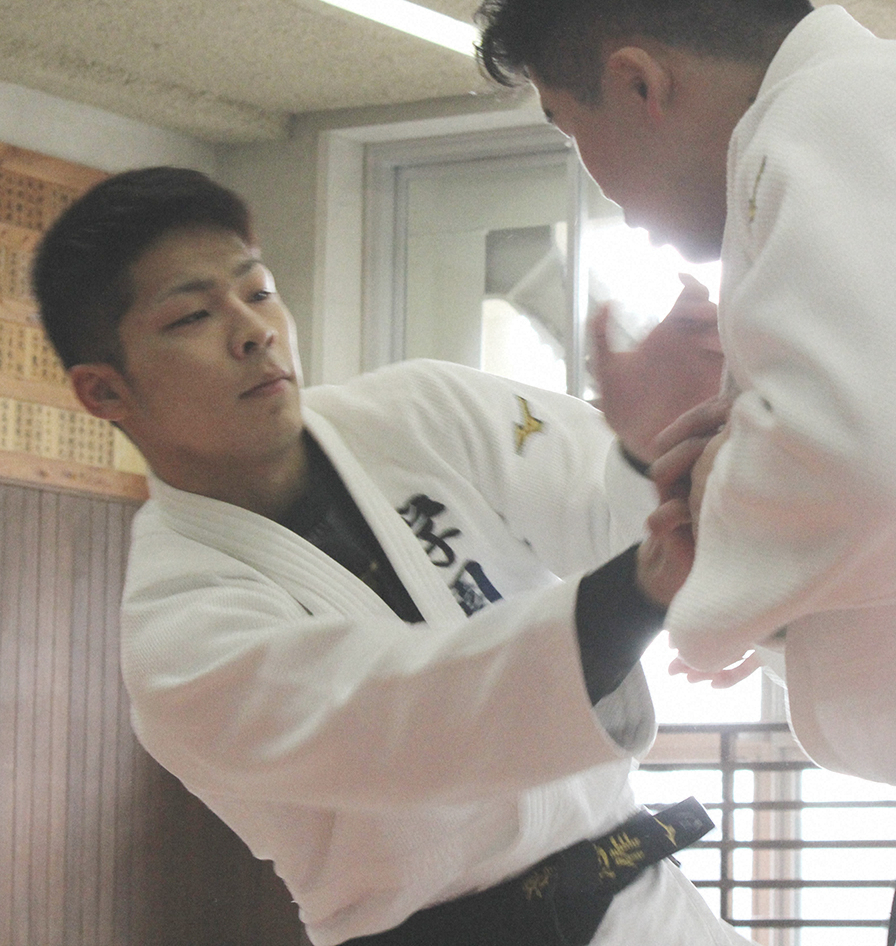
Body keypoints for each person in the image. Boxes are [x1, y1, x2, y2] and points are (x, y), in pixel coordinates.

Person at [32, 165, 751, 946]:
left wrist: (657, 453)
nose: (254, 329)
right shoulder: (179, 640)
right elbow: (408, 718)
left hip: (654, 910)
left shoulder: (420, 413)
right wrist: (643, 586)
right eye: (192, 316)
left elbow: (609, 513)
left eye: (259, 289)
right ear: (104, 392)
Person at [475, 0, 896, 943]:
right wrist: (716, 461)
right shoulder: (866, 119)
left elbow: (893, 478)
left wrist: (713, 493)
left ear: (637, 82)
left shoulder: (852, 106)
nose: (607, 191)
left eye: (570, 127)